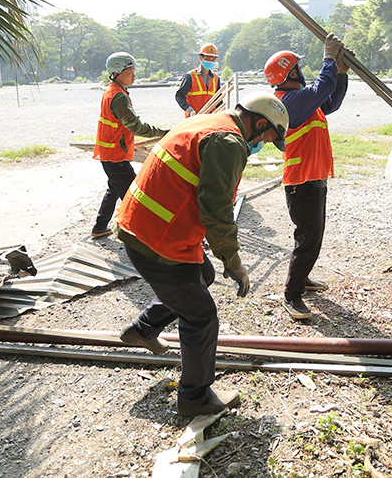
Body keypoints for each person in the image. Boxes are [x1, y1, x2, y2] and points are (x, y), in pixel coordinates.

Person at [115, 93, 289, 417]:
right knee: (201, 317)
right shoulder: (230, 142)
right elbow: (217, 211)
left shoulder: (211, 122)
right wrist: (234, 263)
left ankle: (142, 329)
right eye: (268, 137)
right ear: (260, 122)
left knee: (203, 276)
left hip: (144, 225)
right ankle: (194, 399)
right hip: (158, 239)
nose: (264, 143)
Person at [265, 33, 349, 321]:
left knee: (313, 236)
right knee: (308, 238)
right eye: (298, 68)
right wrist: (329, 58)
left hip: (313, 177)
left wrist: (340, 74)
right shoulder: (287, 102)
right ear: (291, 73)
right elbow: (322, 87)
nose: (302, 71)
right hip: (301, 182)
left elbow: (330, 101)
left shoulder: (301, 101)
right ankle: (291, 294)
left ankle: (303, 278)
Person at [91, 52, 169, 239]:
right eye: (130, 72)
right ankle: (141, 236)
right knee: (134, 196)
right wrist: (163, 133)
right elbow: (136, 127)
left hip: (110, 154)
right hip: (115, 156)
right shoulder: (118, 97)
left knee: (113, 189)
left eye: (134, 71)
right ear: (116, 73)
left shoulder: (112, 91)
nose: (134, 76)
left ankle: (100, 227)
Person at [175, 43, 221, 117]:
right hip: (194, 118)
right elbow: (180, 96)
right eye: (207, 58)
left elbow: (218, 99)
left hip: (211, 119)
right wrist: (189, 109)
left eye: (213, 59)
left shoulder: (216, 78)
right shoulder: (190, 76)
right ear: (200, 57)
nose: (210, 61)